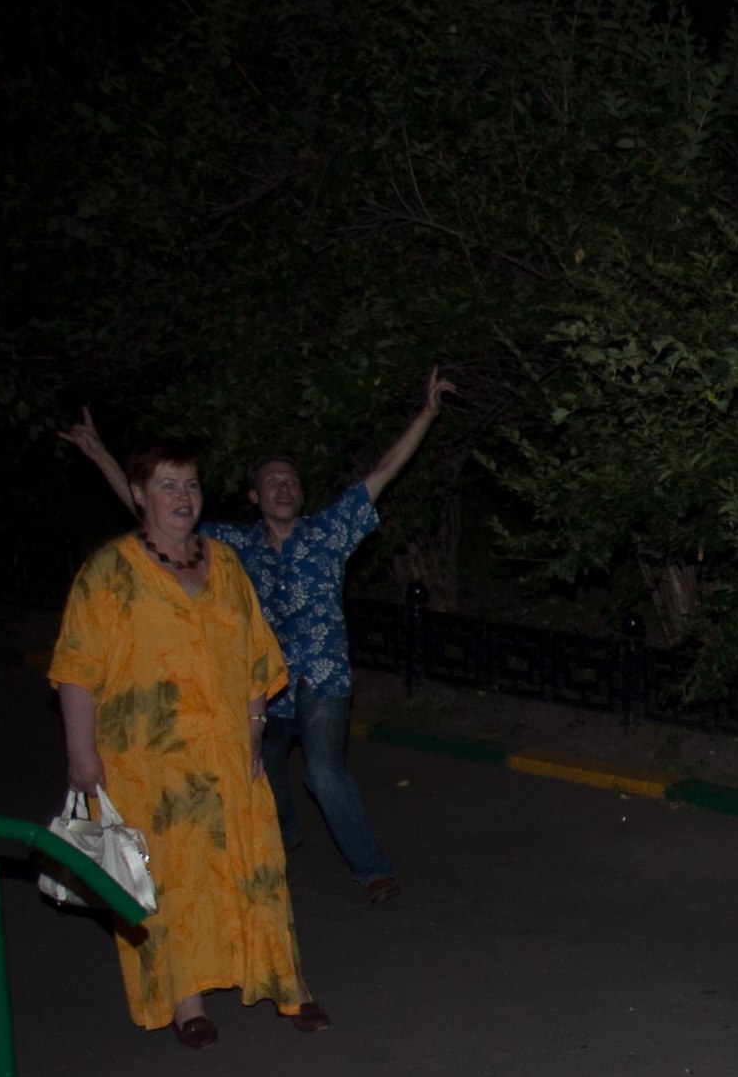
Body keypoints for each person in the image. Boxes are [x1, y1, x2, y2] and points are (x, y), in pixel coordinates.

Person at [61, 368, 455, 903]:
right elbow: (151, 511)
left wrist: (427, 413)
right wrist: (101, 456)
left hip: (321, 680)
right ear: (254, 495)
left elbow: (383, 471)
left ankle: (372, 869)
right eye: (271, 481)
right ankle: (283, 832)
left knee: (322, 771)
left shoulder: (327, 533)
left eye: (291, 481)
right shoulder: (229, 546)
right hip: (260, 688)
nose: (283, 487)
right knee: (258, 767)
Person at [49, 440, 325, 1045]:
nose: (183, 497)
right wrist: (81, 752)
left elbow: (254, 656)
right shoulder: (109, 571)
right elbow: (76, 670)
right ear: (139, 494)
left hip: (227, 752)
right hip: (148, 762)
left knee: (254, 865)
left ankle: (286, 980)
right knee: (170, 875)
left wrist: (255, 727)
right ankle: (185, 999)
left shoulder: (224, 563)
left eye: (191, 485)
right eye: (168, 486)